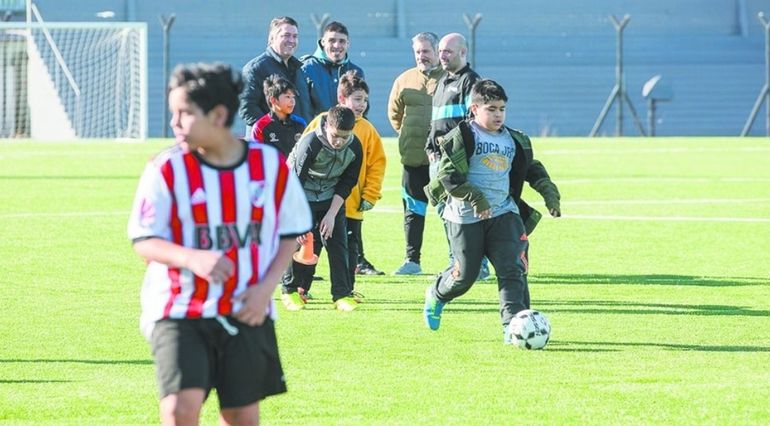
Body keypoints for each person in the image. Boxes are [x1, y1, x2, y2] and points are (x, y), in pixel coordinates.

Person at [127, 63, 312, 425]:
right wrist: (191, 258)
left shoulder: (268, 165)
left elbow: (290, 233)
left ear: (218, 115)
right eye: (173, 113)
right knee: (179, 410)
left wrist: (265, 290)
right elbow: (144, 239)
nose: (174, 123)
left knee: (241, 416)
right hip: (180, 308)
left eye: (184, 113)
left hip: (247, 306)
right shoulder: (166, 169)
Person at [422, 79, 561, 343]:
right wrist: (476, 198)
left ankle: (513, 328)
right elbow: (448, 177)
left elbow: (531, 168)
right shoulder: (462, 137)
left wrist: (549, 193)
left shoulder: (514, 139)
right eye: (492, 109)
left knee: (513, 269)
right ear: (475, 109)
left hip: (504, 213)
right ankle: (437, 294)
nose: (498, 115)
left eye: (502, 109)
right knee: (465, 276)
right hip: (464, 216)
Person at [302, 71, 386, 296]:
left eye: (365, 100)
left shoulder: (368, 130)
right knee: (312, 245)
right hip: (319, 202)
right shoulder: (322, 121)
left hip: (351, 205)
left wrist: (370, 194)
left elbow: (377, 164)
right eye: (357, 99)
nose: (362, 104)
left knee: (348, 250)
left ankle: (346, 291)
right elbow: (303, 153)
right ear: (342, 98)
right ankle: (301, 288)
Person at [282, 105, 363, 312]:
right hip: (301, 196)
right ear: (327, 126)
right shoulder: (311, 143)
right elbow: (295, 183)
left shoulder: (355, 147)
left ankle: (341, 295)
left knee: (338, 246)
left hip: (330, 198)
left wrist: (331, 214)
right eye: (335, 136)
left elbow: (348, 182)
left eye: (344, 137)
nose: (339, 142)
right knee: (300, 242)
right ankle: (290, 291)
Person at [424, 32, 490, 279]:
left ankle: (477, 264)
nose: (442, 55)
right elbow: (436, 122)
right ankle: (457, 261)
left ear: (463, 52)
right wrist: (430, 147)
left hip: (457, 159)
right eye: (440, 51)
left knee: (466, 213)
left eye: (447, 51)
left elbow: (474, 121)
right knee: (446, 212)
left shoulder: (470, 81)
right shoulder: (442, 81)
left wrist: (460, 153)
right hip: (439, 159)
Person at [387, 31, 445, 275]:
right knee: (413, 211)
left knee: (450, 212)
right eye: (418, 52)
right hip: (413, 159)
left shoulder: (451, 79)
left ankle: (459, 260)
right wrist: (409, 137)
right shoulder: (404, 79)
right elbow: (395, 115)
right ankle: (412, 261)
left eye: (426, 51)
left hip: (444, 161)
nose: (421, 56)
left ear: (437, 52)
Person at [239, 16, 305, 136]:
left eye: (295, 36)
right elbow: (247, 108)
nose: (291, 40)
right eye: (286, 35)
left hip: (294, 141)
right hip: (266, 142)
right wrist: (275, 131)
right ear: (272, 38)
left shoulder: (298, 69)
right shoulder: (255, 69)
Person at [295, 21, 364, 121]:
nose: (337, 45)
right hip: (316, 130)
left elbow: (362, 111)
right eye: (332, 40)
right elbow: (303, 111)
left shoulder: (356, 72)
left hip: (349, 130)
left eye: (342, 41)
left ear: (348, 44)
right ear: (323, 42)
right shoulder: (305, 69)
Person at [251, 74, 307, 155]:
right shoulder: (260, 128)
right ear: (273, 100)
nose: (292, 101)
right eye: (288, 97)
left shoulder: (300, 123)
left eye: (293, 97)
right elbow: (257, 157)